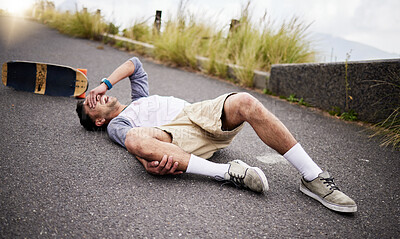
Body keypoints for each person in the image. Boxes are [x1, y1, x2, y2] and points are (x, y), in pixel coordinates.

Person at [76, 57, 357, 213]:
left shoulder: (138, 98)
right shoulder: (118, 124)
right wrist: (147, 161)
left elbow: (134, 64)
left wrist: (103, 84)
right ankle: (228, 172)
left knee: (245, 101)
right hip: (175, 137)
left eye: (94, 97)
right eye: (91, 105)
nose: (96, 99)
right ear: (98, 122)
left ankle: (313, 177)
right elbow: (133, 143)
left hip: (200, 114)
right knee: (136, 139)